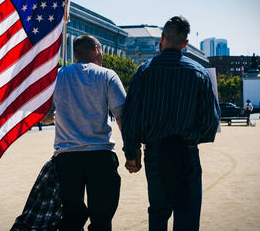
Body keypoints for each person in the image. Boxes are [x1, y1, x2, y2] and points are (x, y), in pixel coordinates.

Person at [122, 16, 220, 231]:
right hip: (187, 150)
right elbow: (211, 119)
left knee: (158, 210)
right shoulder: (199, 73)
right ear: (185, 43)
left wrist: (132, 151)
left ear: (162, 38)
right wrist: (194, 137)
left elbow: (131, 116)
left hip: (156, 151)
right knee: (188, 211)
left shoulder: (144, 72)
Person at [41, 34, 126, 231]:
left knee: (71, 216)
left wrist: (57, 115)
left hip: (67, 157)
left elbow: (45, 117)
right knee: (102, 220)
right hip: (100, 155)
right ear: (96, 49)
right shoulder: (107, 75)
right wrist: (132, 151)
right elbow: (122, 115)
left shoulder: (58, 76)